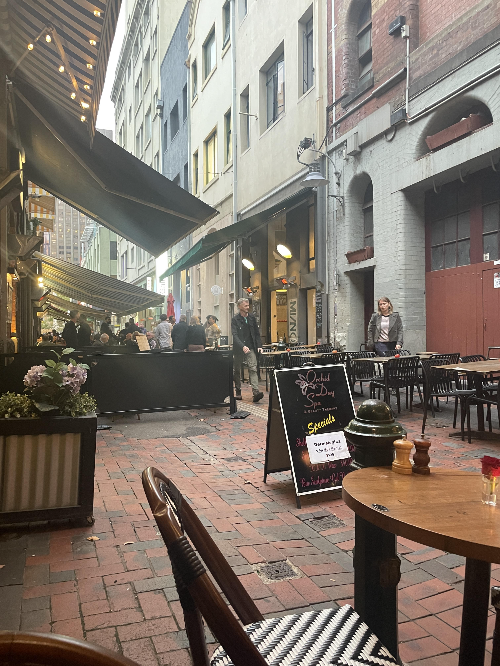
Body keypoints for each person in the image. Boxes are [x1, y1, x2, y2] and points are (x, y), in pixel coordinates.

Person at [231, 298, 264, 403]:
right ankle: (238, 391)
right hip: (239, 348)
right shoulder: (235, 319)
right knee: (236, 370)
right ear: (239, 306)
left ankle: (256, 392)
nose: (248, 307)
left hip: (251, 347)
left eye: (248, 305)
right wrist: (242, 346)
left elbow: (256, 333)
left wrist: (259, 345)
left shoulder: (251, 318)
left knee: (253, 368)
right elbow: (235, 335)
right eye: (245, 306)